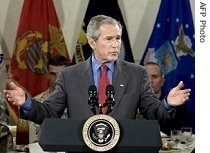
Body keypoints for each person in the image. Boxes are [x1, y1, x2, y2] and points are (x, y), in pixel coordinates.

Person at [4, 15, 191, 135]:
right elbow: (50, 112)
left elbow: (153, 113)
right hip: (81, 148)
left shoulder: (137, 73)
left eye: (118, 38)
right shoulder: (70, 75)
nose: (116, 44)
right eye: (109, 39)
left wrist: (167, 104)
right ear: (92, 43)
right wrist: (26, 102)